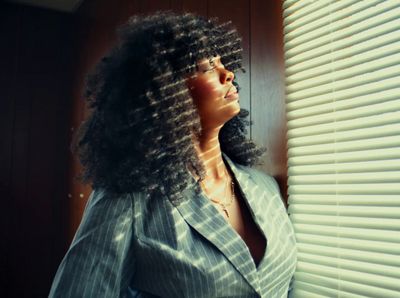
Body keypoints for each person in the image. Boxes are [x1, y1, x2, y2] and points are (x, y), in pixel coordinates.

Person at [49, 11, 297, 298]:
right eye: (205, 67)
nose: (227, 73)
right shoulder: (128, 200)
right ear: (164, 92)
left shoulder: (265, 187)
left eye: (221, 62)